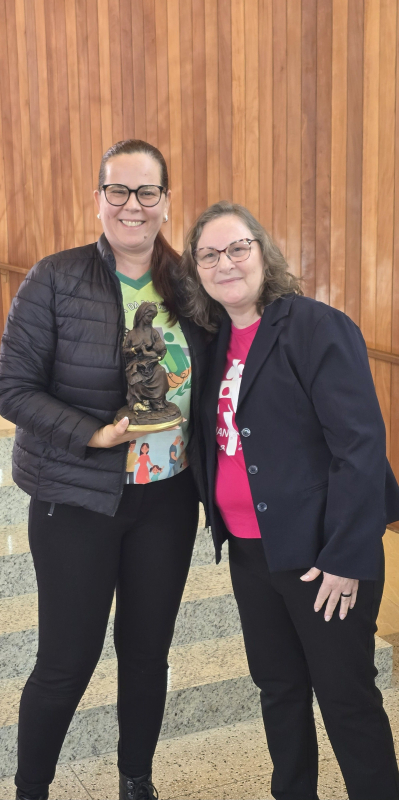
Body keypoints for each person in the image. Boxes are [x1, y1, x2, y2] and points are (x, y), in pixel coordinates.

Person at [0, 139, 209, 800]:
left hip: (167, 500)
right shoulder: (55, 278)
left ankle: (136, 780)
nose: (132, 205)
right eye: (118, 190)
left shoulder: (190, 285)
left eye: (147, 192)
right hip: (76, 499)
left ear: (167, 202)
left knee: (146, 657)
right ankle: (32, 788)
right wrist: (93, 433)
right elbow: (13, 390)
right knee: (66, 661)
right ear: (98, 199)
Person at [179, 200, 399, 800]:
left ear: (263, 251)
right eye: (208, 255)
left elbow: (360, 447)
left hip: (321, 556)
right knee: (278, 690)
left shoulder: (315, 326)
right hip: (251, 552)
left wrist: (346, 557)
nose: (225, 263)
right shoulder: (213, 343)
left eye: (237, 248)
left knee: (346, 699)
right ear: (196, 270)